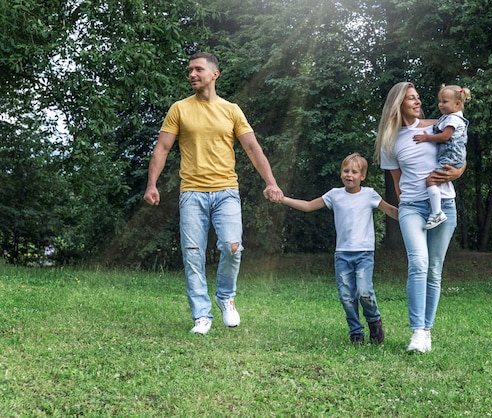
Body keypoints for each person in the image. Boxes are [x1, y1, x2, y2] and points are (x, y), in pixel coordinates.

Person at [143, 52, 283, 335]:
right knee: (193, 254)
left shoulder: (231, 110)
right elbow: (162, 148)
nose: (192, 74)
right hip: (192, 192)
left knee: (233, 247)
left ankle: (225, 297)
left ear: (214, 74)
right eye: (189, 70)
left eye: (198, 69)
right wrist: (152, 184)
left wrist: (271, 182)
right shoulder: (179, 109)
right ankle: (201, 316)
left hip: (226, 191)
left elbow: (253, 148)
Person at [374, 82, 466, 353]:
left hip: (444, 205)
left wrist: (456, 174)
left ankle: (427, 331)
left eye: (417, 98)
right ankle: (416, 332)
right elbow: (397, 184)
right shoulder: (389, 141)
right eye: (411, 99)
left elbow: (460, 156)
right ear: (398, 104)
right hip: (413, 208)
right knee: (419, 263)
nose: (418, 102)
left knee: (434, 269)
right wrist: (404, 206)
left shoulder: (437, 126)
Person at [278, 153, 398, 345]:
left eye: (354, 172)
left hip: (364, 253)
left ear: (363, 176)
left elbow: (391, 211)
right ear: (341, 173)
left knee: (364, 291)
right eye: (346, 170)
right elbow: (309, 206)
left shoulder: (369, 194)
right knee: (346, 296)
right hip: (342, 254)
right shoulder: (335, 195)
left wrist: (414, 215)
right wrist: (283, 199)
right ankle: (355, 332)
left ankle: (375, 322)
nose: (349, 175)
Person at [413, 85, 470, 230]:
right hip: (453, 156)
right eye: (440, 101)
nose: (440, 105)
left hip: (451, 157)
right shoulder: (450, 117)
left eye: (444, 101)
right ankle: (437, 211)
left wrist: (427, 138)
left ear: (457, 104)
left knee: (431, 180)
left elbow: (445, 137)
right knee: (433, 180)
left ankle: (437, 212)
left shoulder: (453, 119)